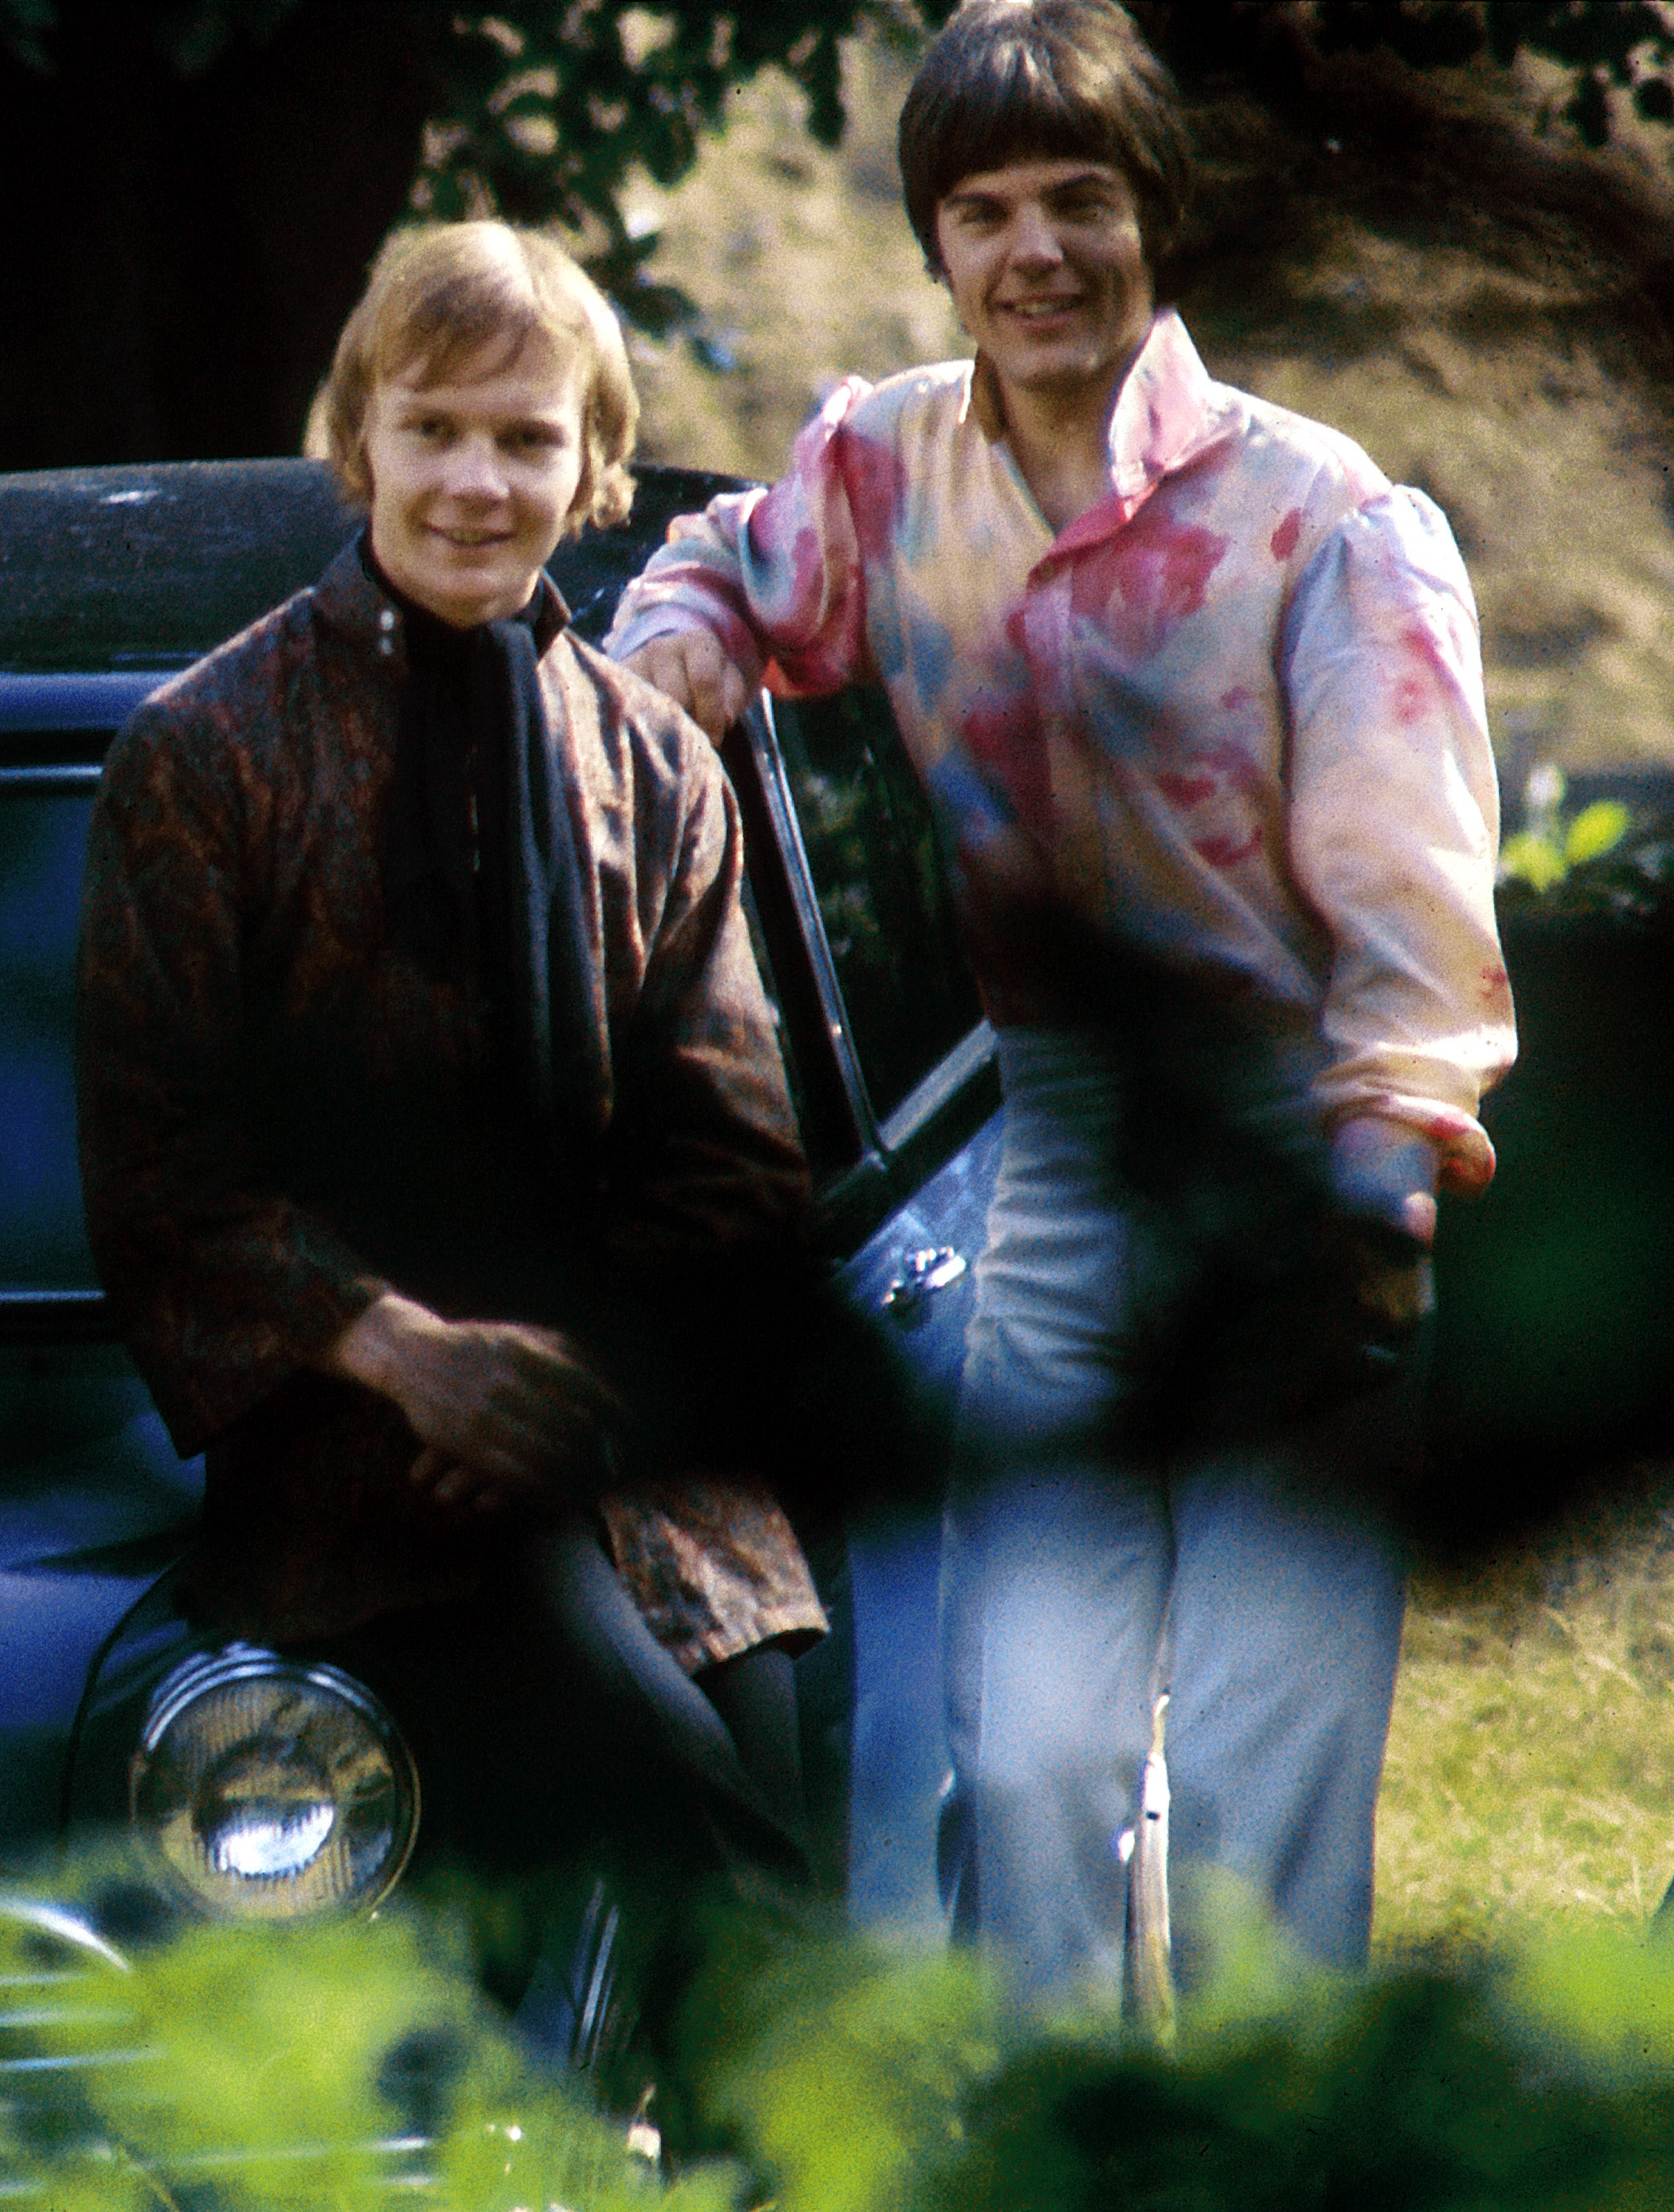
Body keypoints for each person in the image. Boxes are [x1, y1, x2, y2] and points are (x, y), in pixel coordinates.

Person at [608, 0, 1511, 2008]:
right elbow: (713, 570)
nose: (1035, 253)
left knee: (1271, 1799)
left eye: (1079, 202)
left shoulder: (1322, 519)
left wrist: (1376, 1203)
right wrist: (670, 651)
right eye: (986, 209)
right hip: (1062, 1167)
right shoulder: (881, 469)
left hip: (1299, 1169)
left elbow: (1412, 912)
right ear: (936, 240)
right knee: (1022, 1767)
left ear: (1153, 219)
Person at [76, 220, 820, 1966]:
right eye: (434, 430)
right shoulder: (205, 753)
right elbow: (163, 1177)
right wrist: (424, 1363)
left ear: (595, 470)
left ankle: (732, 2196)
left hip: (647, 1464)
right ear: (357, 447)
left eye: (526, 436)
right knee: (722, 1855)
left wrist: (566, 1387)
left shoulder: (654, 763)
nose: (477, 480)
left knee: (783, 1741)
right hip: (358, 1479)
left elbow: (735, 1166)